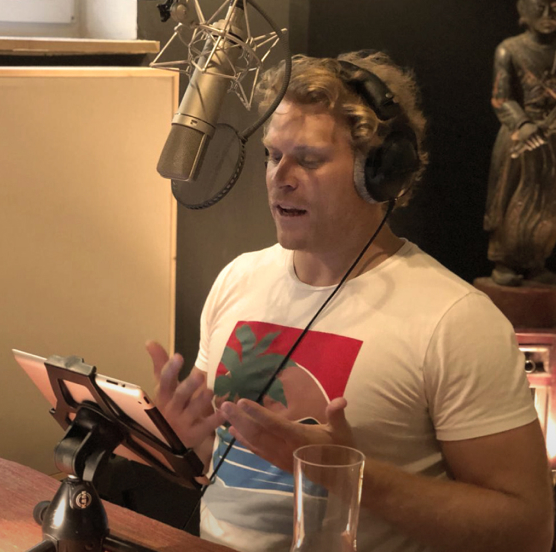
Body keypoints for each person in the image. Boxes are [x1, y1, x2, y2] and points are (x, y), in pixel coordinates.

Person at [147, 50, 554, 552]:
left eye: (309, 159)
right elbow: (229, 465)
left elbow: (528, 530)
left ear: (379, 173)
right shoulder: (238, 278)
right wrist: (188, 438)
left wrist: (348, 476)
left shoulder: (456, 321)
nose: (280, 176)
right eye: (273, 155)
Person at [485, 0, 556, 286]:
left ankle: (536, 259)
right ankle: (504, 260)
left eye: (555, 7)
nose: (549, 15)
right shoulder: (510, 50)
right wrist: (523, 124)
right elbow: (501, 98)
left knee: (548, 204)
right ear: (524, 11)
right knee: (512, 198)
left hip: (552, 137)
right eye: (540, 7)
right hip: (520, 137)